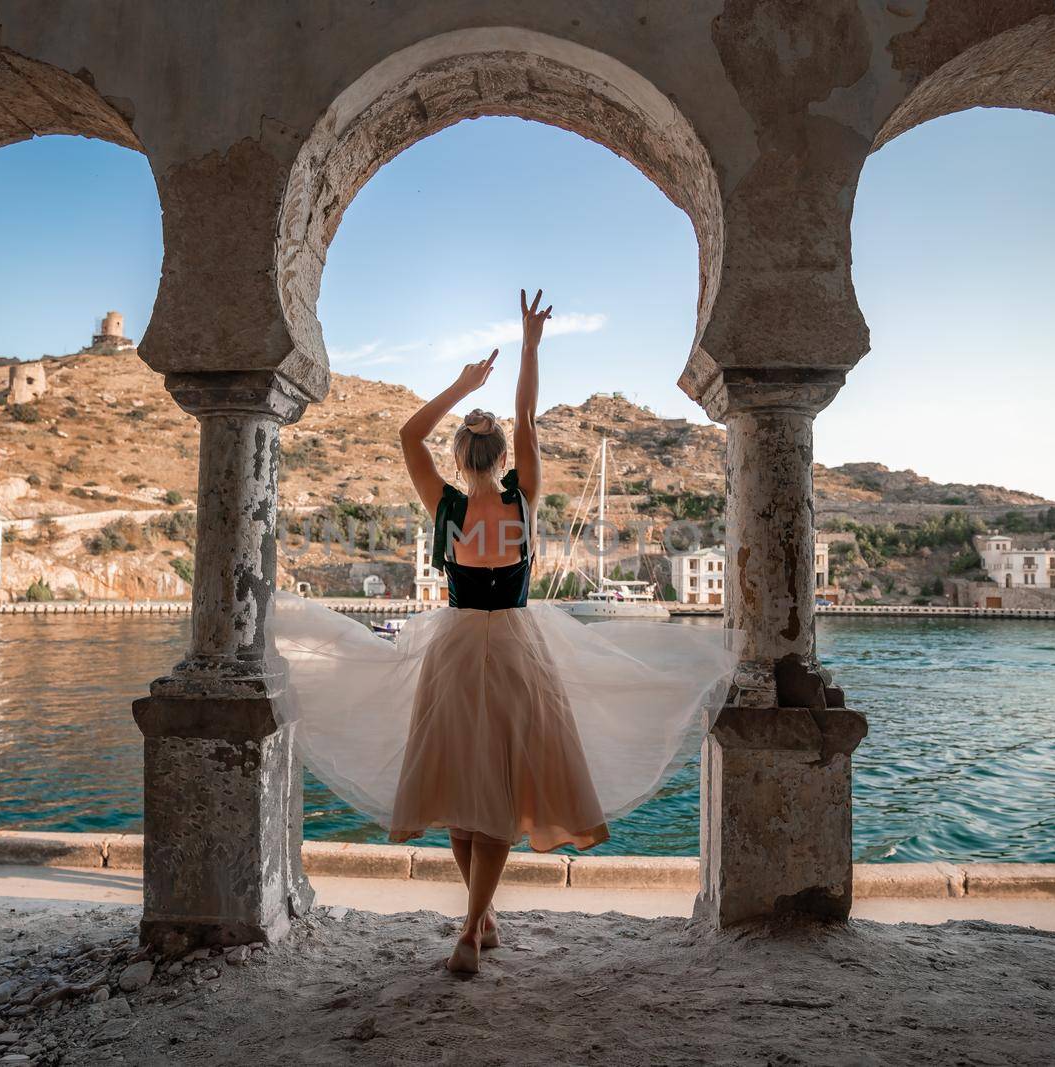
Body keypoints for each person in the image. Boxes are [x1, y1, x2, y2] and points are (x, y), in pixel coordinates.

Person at [270, 289, 740, 975]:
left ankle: (474, 921)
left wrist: (460, 384)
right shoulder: (522, 499)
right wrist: (530, 345)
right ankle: (475, 923)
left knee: (464, 792)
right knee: (495, 795)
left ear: (460, 454)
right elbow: (526, 417)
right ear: (499, 454)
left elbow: (407, 435)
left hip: (456, 648)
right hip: (519, 648)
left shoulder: (447, 504)